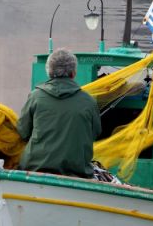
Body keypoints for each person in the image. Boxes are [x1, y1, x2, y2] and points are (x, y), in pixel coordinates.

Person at [17, 48, 101, 178]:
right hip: (77, 172)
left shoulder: (35, 97)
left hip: (35, 169)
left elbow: (22, 132)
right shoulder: (89, 101)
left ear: (49, 72)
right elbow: (95, 133)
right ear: (73, 73)